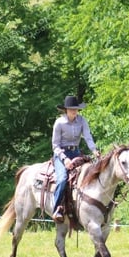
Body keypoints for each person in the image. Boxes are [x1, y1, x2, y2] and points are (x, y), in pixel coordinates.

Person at [50, 95, 100, 223]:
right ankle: (57, 209)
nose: (74, 111)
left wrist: (94, 150)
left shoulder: (82, 121)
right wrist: (65, 159)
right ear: (65, 110)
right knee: (62, 179)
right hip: (61, 154)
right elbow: (55, 145)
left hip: (76, 152)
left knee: (90, 174)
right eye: (71, 109)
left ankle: (83, 208)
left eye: (76, 109)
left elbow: (88, 137)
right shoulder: (59, 123)